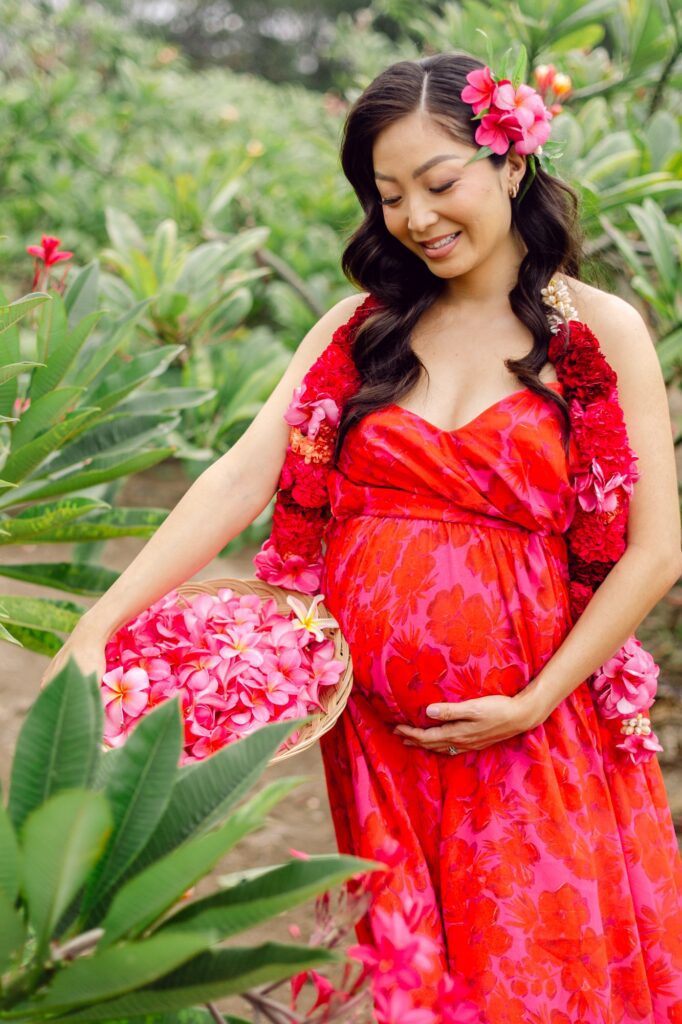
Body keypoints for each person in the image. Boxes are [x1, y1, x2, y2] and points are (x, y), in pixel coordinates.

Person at [41, 51, 682, 1021]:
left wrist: (534, 697)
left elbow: (654, 550)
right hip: (381, 742)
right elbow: (234, 482)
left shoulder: (598, 334)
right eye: (387, 195)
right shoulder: (359, 330)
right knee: (419, 990)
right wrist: (100, 624)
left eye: (438, 182)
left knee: (538, 980)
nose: (416, 217)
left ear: (510, 164)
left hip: (529, 732)